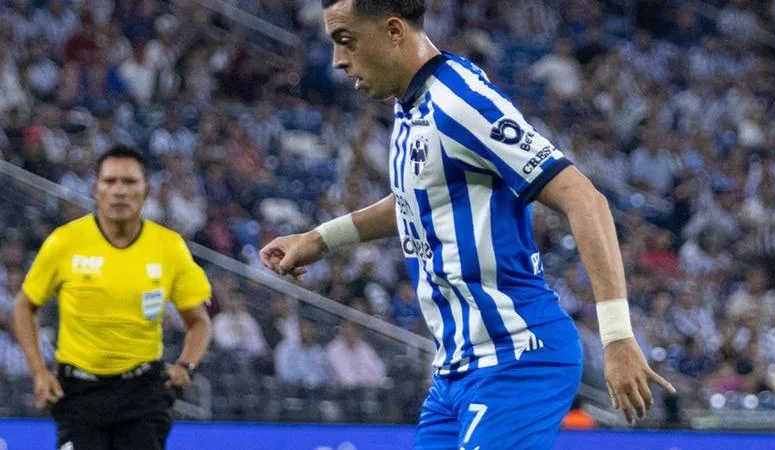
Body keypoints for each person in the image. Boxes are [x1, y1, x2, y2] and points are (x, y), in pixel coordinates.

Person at [260, 1, 675, 448]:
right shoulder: (411, 105)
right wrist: (321, 239)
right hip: (454, 373)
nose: (338, 61)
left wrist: (617, 336)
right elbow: (418, 198)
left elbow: (585, 200)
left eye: (346, 41)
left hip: (518, 358)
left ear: (394, 31)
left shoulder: (461, 102)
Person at [12, 146, 213, 450]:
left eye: (129, 182)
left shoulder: (169, 247)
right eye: (110, 181)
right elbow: (24, 307)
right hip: (79, 393)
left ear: (146, 191)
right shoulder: (64, 242)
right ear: (96, 189)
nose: (119, 191)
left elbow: (199, 322)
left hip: (143, 394)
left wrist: (186, 366)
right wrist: (39, 372)